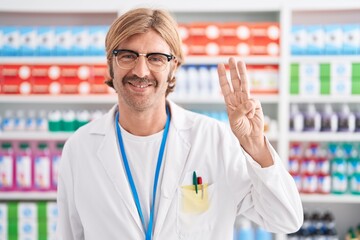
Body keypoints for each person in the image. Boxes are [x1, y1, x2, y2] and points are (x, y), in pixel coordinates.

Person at [56, 7, 303, 240]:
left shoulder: (213, 139)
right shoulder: (79, 148)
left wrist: (255, 145)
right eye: (128, 56)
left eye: (156, 58)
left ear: (173, 67)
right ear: (110, 64)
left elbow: (286, 219)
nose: (141, 71)